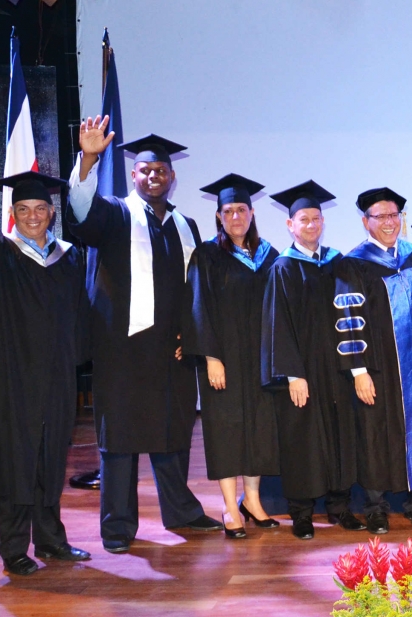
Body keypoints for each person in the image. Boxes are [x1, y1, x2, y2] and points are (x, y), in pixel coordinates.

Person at [67, 118, 222, 554]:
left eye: (162, 171)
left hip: (171, 350)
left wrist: (189, 336)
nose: (154, 176)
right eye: (145, 170)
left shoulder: (186, 225)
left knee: (172, 433)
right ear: (134, 174)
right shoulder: (114, 214)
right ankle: (117, 526)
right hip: (122, 348)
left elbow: (195, 289)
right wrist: (89, 159)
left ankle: (182, 512)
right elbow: (80, 213)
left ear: (172, 178)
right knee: (119, 441)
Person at [0, 136, 91, 575]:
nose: (33, 217)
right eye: (24, 210)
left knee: (50, 458)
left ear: (52, 214)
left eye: (41, 210)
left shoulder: (68, 259)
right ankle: (14, 550)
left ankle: (51, 541)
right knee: (15, 458)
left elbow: (81, 318)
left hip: (54, 378)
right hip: (11, 379)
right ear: (12, 215)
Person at [335, 186, 412, 534]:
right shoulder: (353, 264)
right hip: (377, 368)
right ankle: (375, 507)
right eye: (380, 216)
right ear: (365, 222)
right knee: (374, 433)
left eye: (394, 215)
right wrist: (358, 371)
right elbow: (347, 319)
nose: (389, 222)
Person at [261, 180, 367, 538]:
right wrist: (293, 374)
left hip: (337, 371)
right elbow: (278, 326)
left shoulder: (338, 264)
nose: (311, 225)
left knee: (340, 436)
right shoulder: (283, 268)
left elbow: (352, 317)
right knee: (302, 440)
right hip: (304, 372)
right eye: (303, 219)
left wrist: (356, 369)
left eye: (316, 219)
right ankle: (302, 513)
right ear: (290, 225)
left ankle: (340, 507)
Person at [183, 173, 281, 538]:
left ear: (252, 213)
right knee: (225, 431)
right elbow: (197, 309)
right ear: (219, 217)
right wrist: (210, 358)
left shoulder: (269, 255)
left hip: (258, 360)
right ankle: (229, 506)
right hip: (222, 360)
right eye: (229, 211)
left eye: (242, 209)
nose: (236, 216)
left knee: (257, 428)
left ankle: (252, 501)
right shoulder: (207, 255)